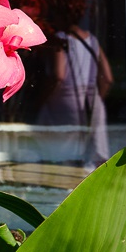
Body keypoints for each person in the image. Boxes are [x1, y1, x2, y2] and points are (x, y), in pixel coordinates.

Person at [37, 20, 113, 168]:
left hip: (66, 100)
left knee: (67, 154)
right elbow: (108, 78)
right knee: (96, 156)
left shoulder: (61, 39)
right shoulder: (93, 40)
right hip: (93, 100)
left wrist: (42, 99)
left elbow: (59, 75)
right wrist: (96, 99)